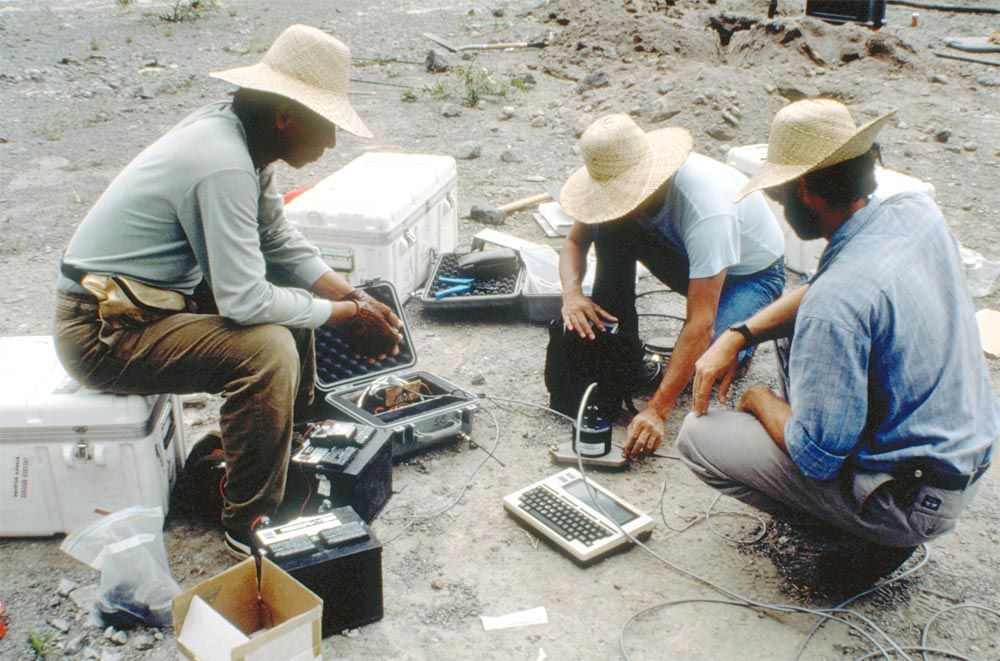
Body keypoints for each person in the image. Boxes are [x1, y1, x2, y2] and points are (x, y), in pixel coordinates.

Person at [52, 25, 403, 558]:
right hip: (102, 330)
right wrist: (344, 314)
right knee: (268, 348)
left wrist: (353, 298)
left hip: (148, 304)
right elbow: (245, 302)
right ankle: (249, 517)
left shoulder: (242, 138)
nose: (332, 142)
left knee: (290, 302)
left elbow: (276, 238)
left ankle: (291, 444)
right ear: (286, 116)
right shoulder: (221, 162)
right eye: (327, 125)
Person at [680, 99, 998, 589]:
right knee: (791, 332)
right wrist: (739, 334)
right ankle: (870, 521)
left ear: (804, 191)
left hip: (910, 501)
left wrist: (759, 400)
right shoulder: (915, 212)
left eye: (782, 195)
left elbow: (816, 456)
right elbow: (827, 285)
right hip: (961, 459)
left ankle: (869, 540)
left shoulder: (837, 307)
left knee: (698, 438)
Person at [557, 113, 785, 460]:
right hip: (686, 255)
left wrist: (656, 409)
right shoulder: (619, 180)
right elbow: (575, 241)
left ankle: (745, 345)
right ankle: (621, 351)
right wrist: (572, 294)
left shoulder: (707, 209)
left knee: (711, 366)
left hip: (750, 274)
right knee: (611, 229)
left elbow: (700, 321)